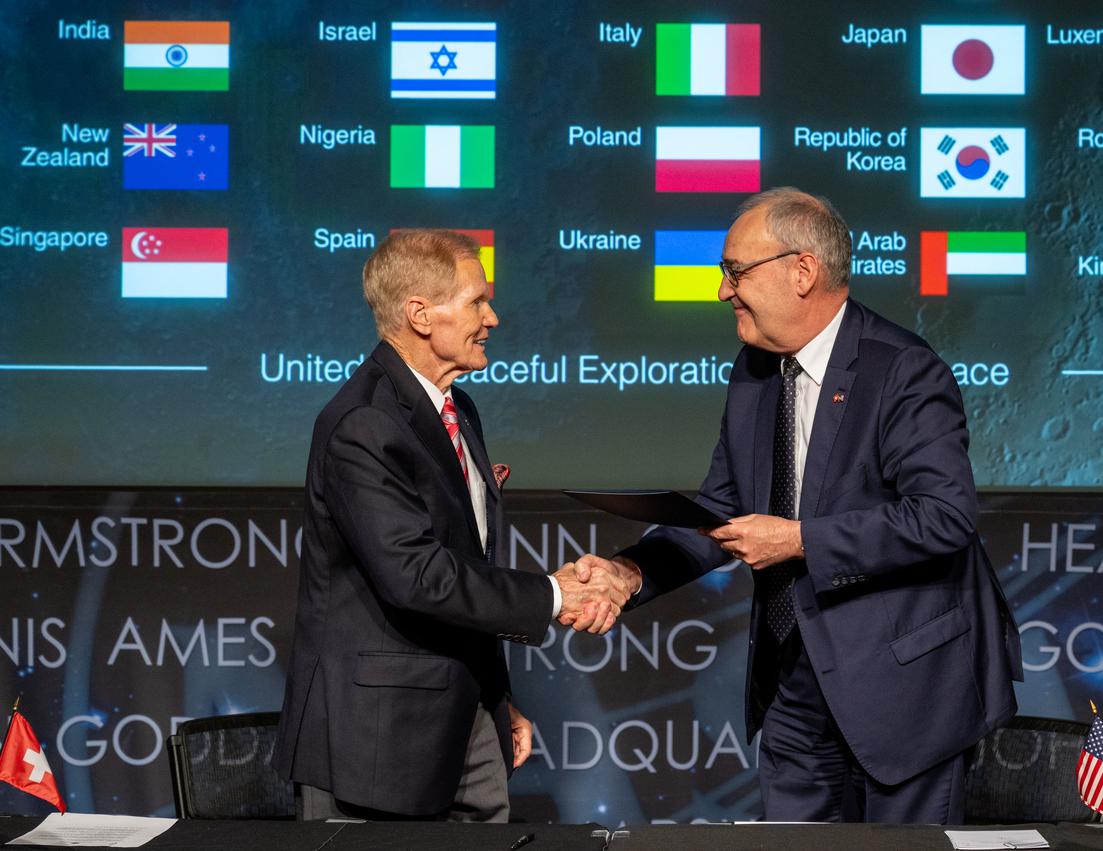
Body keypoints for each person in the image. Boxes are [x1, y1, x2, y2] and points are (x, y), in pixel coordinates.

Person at [567, 188, 1023, 823]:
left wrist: (799, 539)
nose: (723, 290)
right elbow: (720, 512)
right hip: (793, 685)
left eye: (735, 271)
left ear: (802, 270)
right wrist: (630, 573)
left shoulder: (903, 370)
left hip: (905, 692)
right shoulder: (754, 371)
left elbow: (943, 516)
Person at [274, 229, 629, 821]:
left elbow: (468, 565)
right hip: (380, 742)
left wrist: (497, 695)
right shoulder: (363, 423)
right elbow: (416, 576)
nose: (492, 317)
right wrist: (555, 593)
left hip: (470, 719)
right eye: (476, 302)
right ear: (419, 314)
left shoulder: (457, 407)